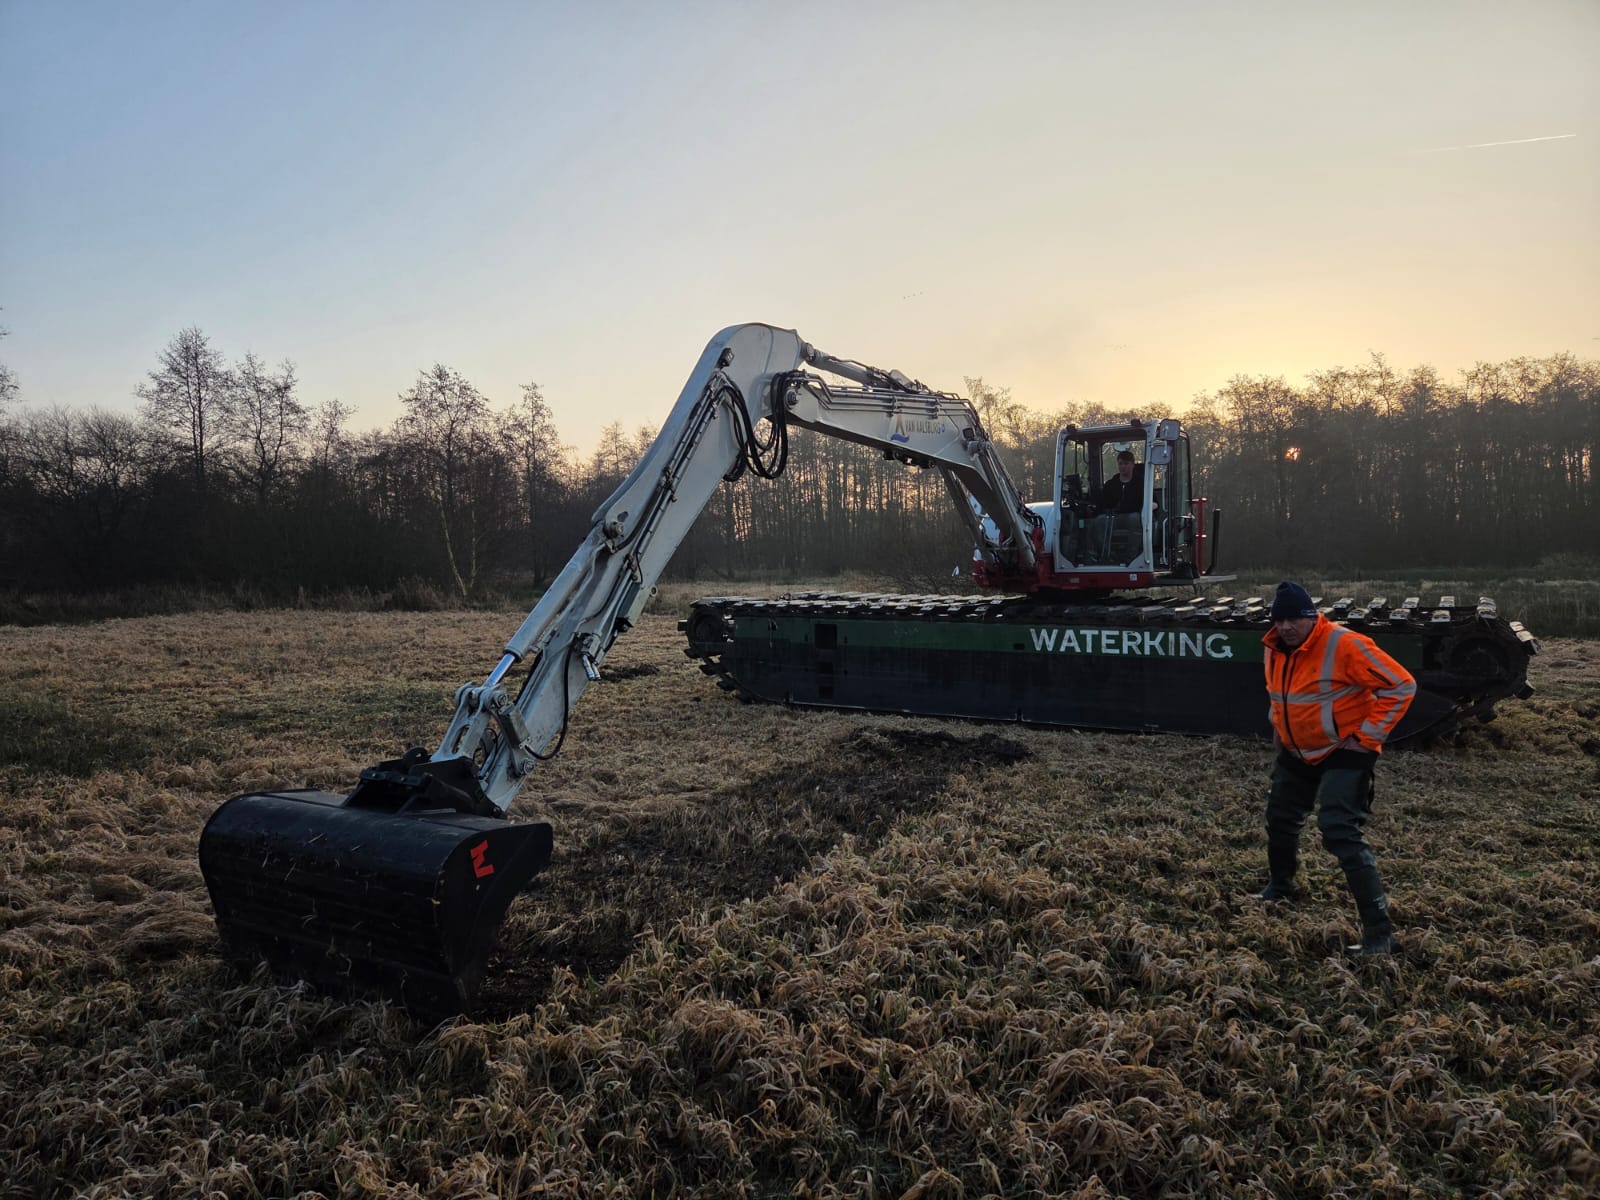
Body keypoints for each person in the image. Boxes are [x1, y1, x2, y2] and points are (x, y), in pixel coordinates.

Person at [1256, 580, 1417, 956]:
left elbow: (1401, 686)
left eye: (1295, 618)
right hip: (1298, 751)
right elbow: (1280, 694)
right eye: (1279, 620)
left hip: (1346, 751)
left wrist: (1365, 737)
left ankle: (1380, 934)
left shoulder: (1345, 644)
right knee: (1279, 818)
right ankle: (1280, 888)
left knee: (1339, 830)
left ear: (1313, 617)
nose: (1286, 627)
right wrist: (1278, 727)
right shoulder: (1273, 649)